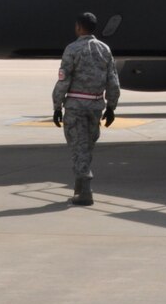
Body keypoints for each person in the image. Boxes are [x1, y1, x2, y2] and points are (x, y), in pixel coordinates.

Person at [51, 11, 120, 206]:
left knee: (78, 147)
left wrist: (57, 105)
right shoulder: (104, 49)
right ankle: (79, 187)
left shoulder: (72, 49)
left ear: (79, 27)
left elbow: (64, 79)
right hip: (95, 106)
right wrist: (112, 106)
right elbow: (113, 81)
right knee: (87, 146)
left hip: (75, 106)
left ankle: (86, 190)